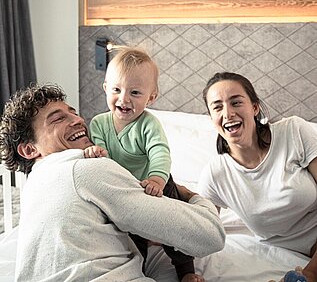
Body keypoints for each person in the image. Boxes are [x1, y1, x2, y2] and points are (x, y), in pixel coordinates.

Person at [0, 83, 225, 282]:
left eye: (74, 113)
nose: (78, 120)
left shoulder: (33, 187)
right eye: (58, 118)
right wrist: (191, 196)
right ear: (29, 149)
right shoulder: (87, 167)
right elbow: (210, 236)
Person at [87, 46, 205, 282]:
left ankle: (186, 271)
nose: (124, 99)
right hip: (125, 192)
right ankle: (134, 273)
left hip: (158, 185)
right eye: (117, 90)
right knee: (131, 237)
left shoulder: (148, 124)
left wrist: (157, 180)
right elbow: (102, 158)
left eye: (135, 92)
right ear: (105, 89)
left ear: (151, 97)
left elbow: (160, 153)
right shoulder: (99, 123)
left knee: (174, 229)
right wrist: (93, 151)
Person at [197, 71, 317, 282]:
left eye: (236, 102)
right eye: (217, 107)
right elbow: (199, 230)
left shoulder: (293, 131)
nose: (228, 113)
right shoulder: (215, 175)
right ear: (211, 118)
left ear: (254, 107)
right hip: (290, 251)